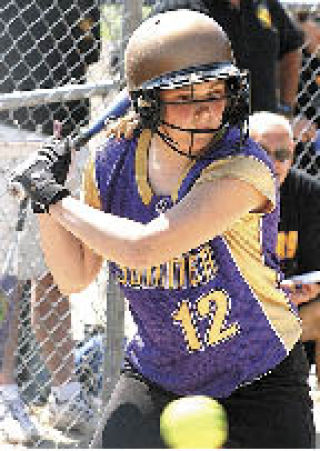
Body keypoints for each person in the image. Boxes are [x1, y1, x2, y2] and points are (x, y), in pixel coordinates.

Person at [14, 9, 314, 448]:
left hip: (259, 377)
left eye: (217, 91)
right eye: (188, 96)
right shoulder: (112, 164)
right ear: (149, 103)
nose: (209, 111)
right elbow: (73, 277)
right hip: (159, 374)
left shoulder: (243, 165)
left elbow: (144, 249)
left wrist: (56, 201)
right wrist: (46, 201)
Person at [249, 111, 320, 386]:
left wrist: (304, 290)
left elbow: (313, 269)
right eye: (264, 152)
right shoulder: (221, 193)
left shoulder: (308, 194)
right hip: (233, 318)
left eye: (282, 156)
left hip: (288, 313)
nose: (273, 164)